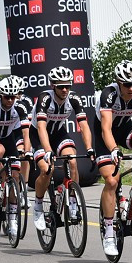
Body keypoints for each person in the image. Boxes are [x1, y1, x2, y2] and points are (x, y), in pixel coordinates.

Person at [94, 60, 132, 258]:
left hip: (125, 128)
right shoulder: (108, 95)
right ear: (118, 83)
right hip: (105, 134)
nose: (131, 88)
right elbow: (105, 128)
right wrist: (113, 149)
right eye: (126, 84)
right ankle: (110, 233)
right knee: (112, 180)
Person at [31, 66, 94, 231]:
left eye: (68, 85)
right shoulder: (45, 98)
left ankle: (73, 202)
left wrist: (89, 148)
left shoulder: (73, 98)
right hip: (39, 135)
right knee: (47, 169)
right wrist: (48, 151)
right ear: (53, 85)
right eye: (61, 86)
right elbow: (41, 128)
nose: (65, 89)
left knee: (72, 161)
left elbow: (84, 125)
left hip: (58, 132)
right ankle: (37, 205)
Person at [0, 76, 33, 234]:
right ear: (0, 95)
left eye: (13, 96)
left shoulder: (20, 107)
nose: (11, 100)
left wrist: (28, 151)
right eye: (7, 97)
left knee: (16, 176)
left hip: (9, 138)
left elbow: (26, 134)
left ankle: (12, 220)